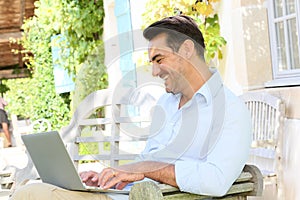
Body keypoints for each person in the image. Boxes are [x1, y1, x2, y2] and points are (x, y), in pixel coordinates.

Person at [10, 15, 251, 199]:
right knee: (34, 190)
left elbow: (216, 181)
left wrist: (147, 169)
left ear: (187, 50)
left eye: (159, 59)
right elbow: (148, 162)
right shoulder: (166, 104)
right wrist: (117, 176)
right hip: (130, 195)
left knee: (31, 195)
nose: (155, 72)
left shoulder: (230, 110)